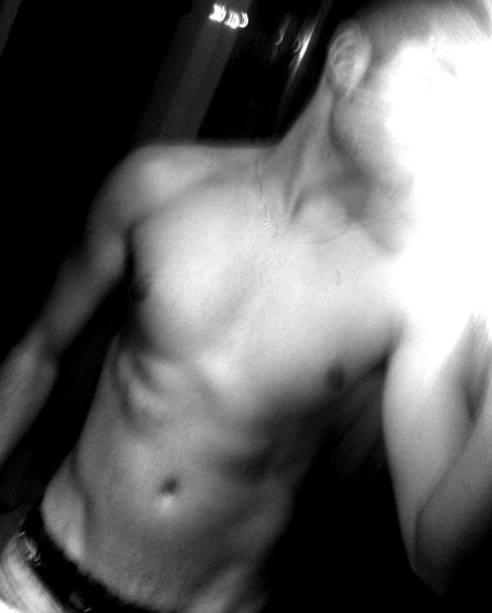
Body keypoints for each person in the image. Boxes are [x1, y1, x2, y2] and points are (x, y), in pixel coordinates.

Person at [1, 0, 492, 610]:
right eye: (441, 79)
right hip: (35, 581)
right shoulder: (159, 186)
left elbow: (435, 557)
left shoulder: (418, 288)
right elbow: (37, 353)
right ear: (347, 61)